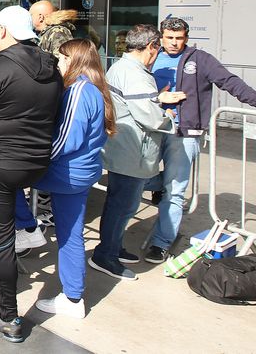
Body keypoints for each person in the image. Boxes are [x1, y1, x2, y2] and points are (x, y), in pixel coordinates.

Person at [0, 5, 63, 342]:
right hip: (35, 162)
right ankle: (9, 304)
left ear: (3, 31)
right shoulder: (52, 67)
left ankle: (8, 317)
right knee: (2, 234)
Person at [142, 17, 256, 264]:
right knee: (136, 178)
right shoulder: (150, 57)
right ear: (161, 37)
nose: (174, 43)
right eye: (169, 38)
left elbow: (229, 81)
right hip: (152, 129)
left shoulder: (200, 59)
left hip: (185, 134)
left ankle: (161, 243)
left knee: (175, 191)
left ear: (187, 37)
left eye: (179, 38)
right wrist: (161, 98)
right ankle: (162, 186)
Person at [89, 24, 184, 280]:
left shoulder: (122, 67)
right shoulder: (136, 75)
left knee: (120, 204)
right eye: (158, 48)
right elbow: (151, 118)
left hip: (125, 149)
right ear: (152, 47)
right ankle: (105, 255)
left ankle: (113, 248)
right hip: (133, 153)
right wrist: (168, 115)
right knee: (122, 207)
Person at [33, 39, 116, 319]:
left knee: (2, 180)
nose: (58, 62)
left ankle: (27, 230)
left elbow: (67, 139)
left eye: (62, 57)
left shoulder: (79, 90)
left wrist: (35, 160)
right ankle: (73, 295)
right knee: (71, 235)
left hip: (65, 173)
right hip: (80, 173)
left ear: (74, 59)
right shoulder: (96, 89)